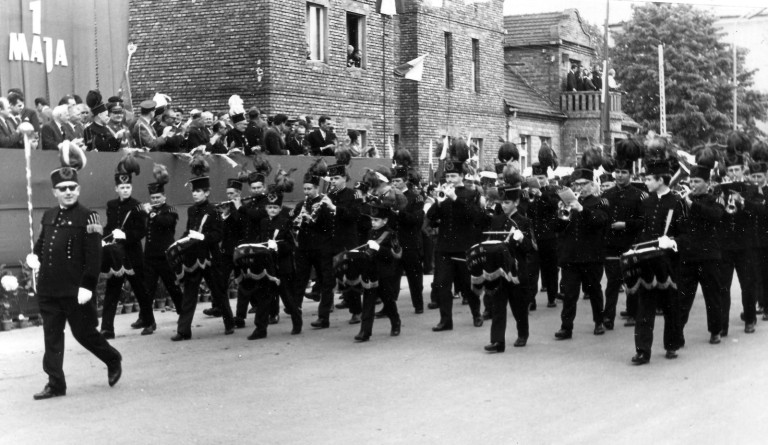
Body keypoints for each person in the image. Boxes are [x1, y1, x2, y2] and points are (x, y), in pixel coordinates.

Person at [27, 143, 122, 400]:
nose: (68, 192)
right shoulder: (48, 215)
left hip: (74, 289)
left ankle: (112, 358)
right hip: (49, 289)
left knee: (84, 334)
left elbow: (94, 256)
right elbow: (41, 244)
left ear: (78, 189)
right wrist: (34, 257)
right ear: (54, 192)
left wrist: (87, 286)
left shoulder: (88, 218)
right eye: (62, 189)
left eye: (72, 188)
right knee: (52, 338)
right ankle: (56, 383)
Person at [630, 146, 685, 365]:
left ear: (661, 180)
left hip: (668, 262)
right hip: (647, 261)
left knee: (671, 307)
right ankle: (643, 350)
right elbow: (641, 229)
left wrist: (672, 241)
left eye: (649, 179)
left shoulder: (676, 203)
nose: (646, 183)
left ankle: (671, 344)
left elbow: (685, 235)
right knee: (645, 308)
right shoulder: (646, 202)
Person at [172, 156, 235, 340]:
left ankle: (229, 322)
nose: (195, 194)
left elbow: (218, 235)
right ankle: (183, 331)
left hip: (210, 257)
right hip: (194, 257)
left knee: (218, 292)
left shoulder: (214, 211)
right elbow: (188, 231)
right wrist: (181, 242)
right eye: (194, 191)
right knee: (189, 295)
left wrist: (203, 237)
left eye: (199, 191)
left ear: (207, 193)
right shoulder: (192, 211)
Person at [239, 171, 303, 339]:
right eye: (269, 207)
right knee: (264, 298)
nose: (272, 210)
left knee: (287, 298)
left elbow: (290, 245)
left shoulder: (285, 222)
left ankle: (297, 321)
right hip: (268, 267)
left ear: (280, 208)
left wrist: (278, 246)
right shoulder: (263, 221)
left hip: (282, 266)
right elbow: (261, 240)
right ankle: (260, 329)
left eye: (275, 207)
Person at [426, 150, 485, 331]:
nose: (450, 179)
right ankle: (446, 320)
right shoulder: (442, 193)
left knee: (466, 285)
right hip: (444, 247)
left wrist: (455, 198)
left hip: (463, 246)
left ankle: (476, 313)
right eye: (448, 176)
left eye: (453, 176)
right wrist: (437, 202)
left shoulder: (470, 194)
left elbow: (474, 216)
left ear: (461, 176)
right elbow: (431, 217)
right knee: (443, 285)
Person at [553, 156, 610, 340]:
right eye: (577, 184)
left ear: (592, 185)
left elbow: (599, 221)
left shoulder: (600, 202)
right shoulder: (568, 203)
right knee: (570, 294)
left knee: (594, 290)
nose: (580, 188)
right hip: (571, 256)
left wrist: (581, 209)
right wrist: (562, 215)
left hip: (591, 256)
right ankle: (566, 327)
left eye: (584, 184)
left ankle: (599, 321)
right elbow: (557, 229)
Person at [99, 156, 155, 338]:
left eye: (128, 187)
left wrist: (126, 235)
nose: (125, 190)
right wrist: (104, 238)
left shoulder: (137, 206)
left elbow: (141, 231)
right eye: (122, 187)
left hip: (132, 253)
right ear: (116, 188)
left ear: (131, 187)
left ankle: (149, 321)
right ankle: (107, 328)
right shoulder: (111, 205)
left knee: (140, 289)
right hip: (116, 254)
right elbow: (109, 225)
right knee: (112, 290)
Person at [677, 150, 724, 345]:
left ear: (707, 183)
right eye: (691, 181)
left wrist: (692, 205)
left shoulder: (714, 199)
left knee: (712, 296)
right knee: (683, 298)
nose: (693, 185)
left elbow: (716, 215)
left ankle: (715, 330)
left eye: (697, 182)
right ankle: (677, 334)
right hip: (688, 255)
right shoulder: (684, 201)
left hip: (709, 256)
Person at [718, 132, 761, 336]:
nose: (734, 173)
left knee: (748, 285)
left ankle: (750, 319)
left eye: (737, 169)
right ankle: (723, 325)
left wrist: (744, 202)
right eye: (731, 169)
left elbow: (759, 211)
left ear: (743, 169)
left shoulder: (751, 188)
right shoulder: (720, 189)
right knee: (723, 287)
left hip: (746, 245)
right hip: (726, 245)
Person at [601, 139, 646, 330]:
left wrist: (625, 224)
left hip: (630, 244)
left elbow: (643, 222)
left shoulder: (639, 195)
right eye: (617, 172)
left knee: (632, 283)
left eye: (624, 172)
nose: (619, 176)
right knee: (612, 284)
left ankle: (633, 314)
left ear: (631, 173)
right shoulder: (607, 195)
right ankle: (608, 317)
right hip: (611, 245)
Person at [484, 184, 534, 352]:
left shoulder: (524, 221)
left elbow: (530, 248)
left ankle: (522, 334)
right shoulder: (497, 220)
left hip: (516, 269)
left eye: (507, 202)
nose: (503, 206)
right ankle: (498, 341)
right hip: (500, 269)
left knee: (518, 306)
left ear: (516, 202)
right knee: (498, 306)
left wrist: (521, 239)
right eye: (502, 202)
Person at [292, 158, 336, 328]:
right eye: (304, 189)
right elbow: (293, 225)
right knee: (301, 280)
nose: (306, 192)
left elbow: (328, 225)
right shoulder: (301, 205)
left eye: (309, 189)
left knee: (325, 281)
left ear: (317, 188)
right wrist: (298, 219)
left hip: (322, 248)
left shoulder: (324, 204)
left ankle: (323, 317)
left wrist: (314, 215)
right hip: (304, 248)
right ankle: (296, 311)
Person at [354, 199, 402, 341]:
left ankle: (396, 322)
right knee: (368, 302)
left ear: (385, 220)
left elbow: (396, 254)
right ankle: (365, 332)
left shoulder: (391, 234)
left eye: (376, 220)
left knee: (388, 301)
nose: (373, 223)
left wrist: (379, 248)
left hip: (385, 273)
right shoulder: (371, 232)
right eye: (372, 220)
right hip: (371, 272)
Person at [326, 154, 364, 324]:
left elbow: (354, 216)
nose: (332, 181)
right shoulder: (327, 195)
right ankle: (323, 316)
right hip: (331, 243)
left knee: (351, 279)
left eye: (336, 178)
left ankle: (357, 311)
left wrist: (334, 208)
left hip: (347, 243)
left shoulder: (353, 195)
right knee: (329, 280)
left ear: (344, 179)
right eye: (331, 178)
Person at [142, 164, 183, 313]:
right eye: (152, 198)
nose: (155, 200)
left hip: (165, 256)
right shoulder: (149, 211)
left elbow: (165, 222)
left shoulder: (170, 210)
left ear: (164, 197)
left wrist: (151, 213)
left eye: (158, 197)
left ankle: (182, 312)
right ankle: (146, 319)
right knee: (147, 290)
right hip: (150, 256)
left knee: (173, 287)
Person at [391, 151, 425, 314]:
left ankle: (418, 304)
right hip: (395, 241)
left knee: (414, 276)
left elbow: (416, 220)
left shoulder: (415, 197)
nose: (395, 184)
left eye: (397, 181)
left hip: (410, 242)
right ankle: (389, 305)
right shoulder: (389, 197)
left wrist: (399, 213)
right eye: (393, 181)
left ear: (405, 181)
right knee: (391, 276)